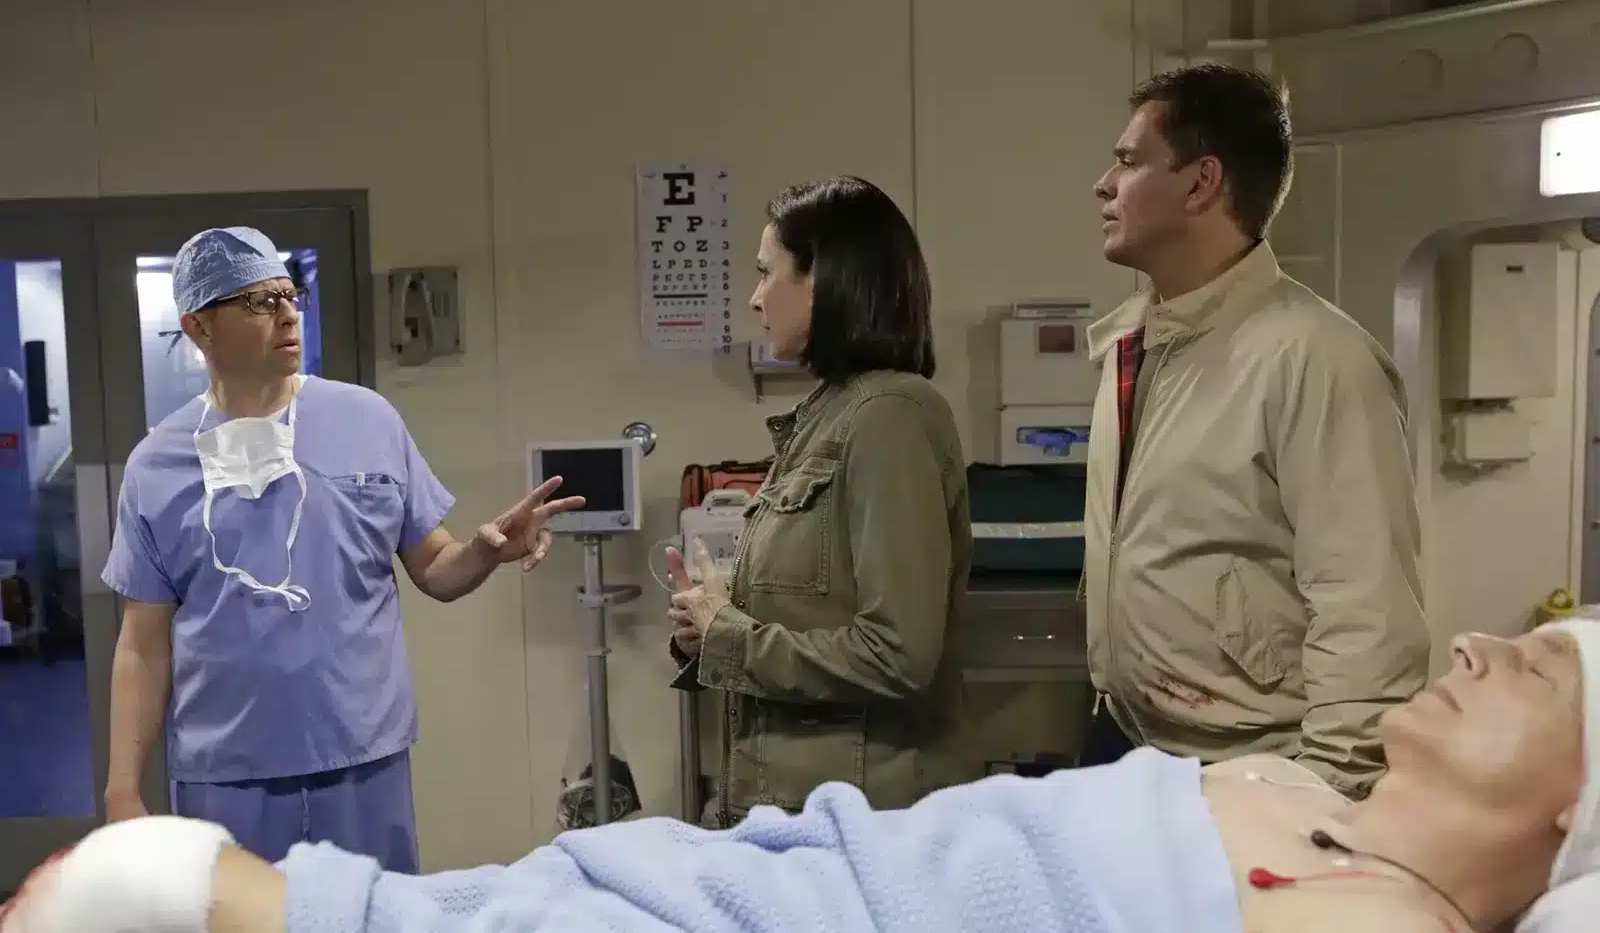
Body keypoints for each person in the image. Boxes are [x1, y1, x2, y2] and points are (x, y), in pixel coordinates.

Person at [6, 618, 1597, 933]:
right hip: (815, 854)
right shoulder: (1302, 790)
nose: (1476, 640)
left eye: (1535, 667)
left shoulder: (1383, 916)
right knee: (560, 880)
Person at [98, 226, 585, 872]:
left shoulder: (366, 420)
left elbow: (435, 569)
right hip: (227, 771)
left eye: (289, 295)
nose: (286, 314)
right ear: (199, 326)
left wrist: (485, 552)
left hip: (360, 758)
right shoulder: (157, 464)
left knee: (371, 913)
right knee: (245, 918)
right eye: (258, 301)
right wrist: (123, 789)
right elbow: (142, 643)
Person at [1077, 63, 1429, 798]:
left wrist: (1325, 797)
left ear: (1201, 183)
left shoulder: (1316, 358)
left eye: (1129, 162)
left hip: (1252, 767)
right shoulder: (1133, 345)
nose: (1103, 186)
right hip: (1127, 741)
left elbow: (1365, 610)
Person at [663, 175, 973, 826]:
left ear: (824, 278)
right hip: (800, 809)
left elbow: (897, 654)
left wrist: (731, 638)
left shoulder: (889, 416)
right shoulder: (830, 414)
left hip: (863, 819)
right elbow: (813, 609)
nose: (754, 298)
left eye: (765, 272)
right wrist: (709, 627)